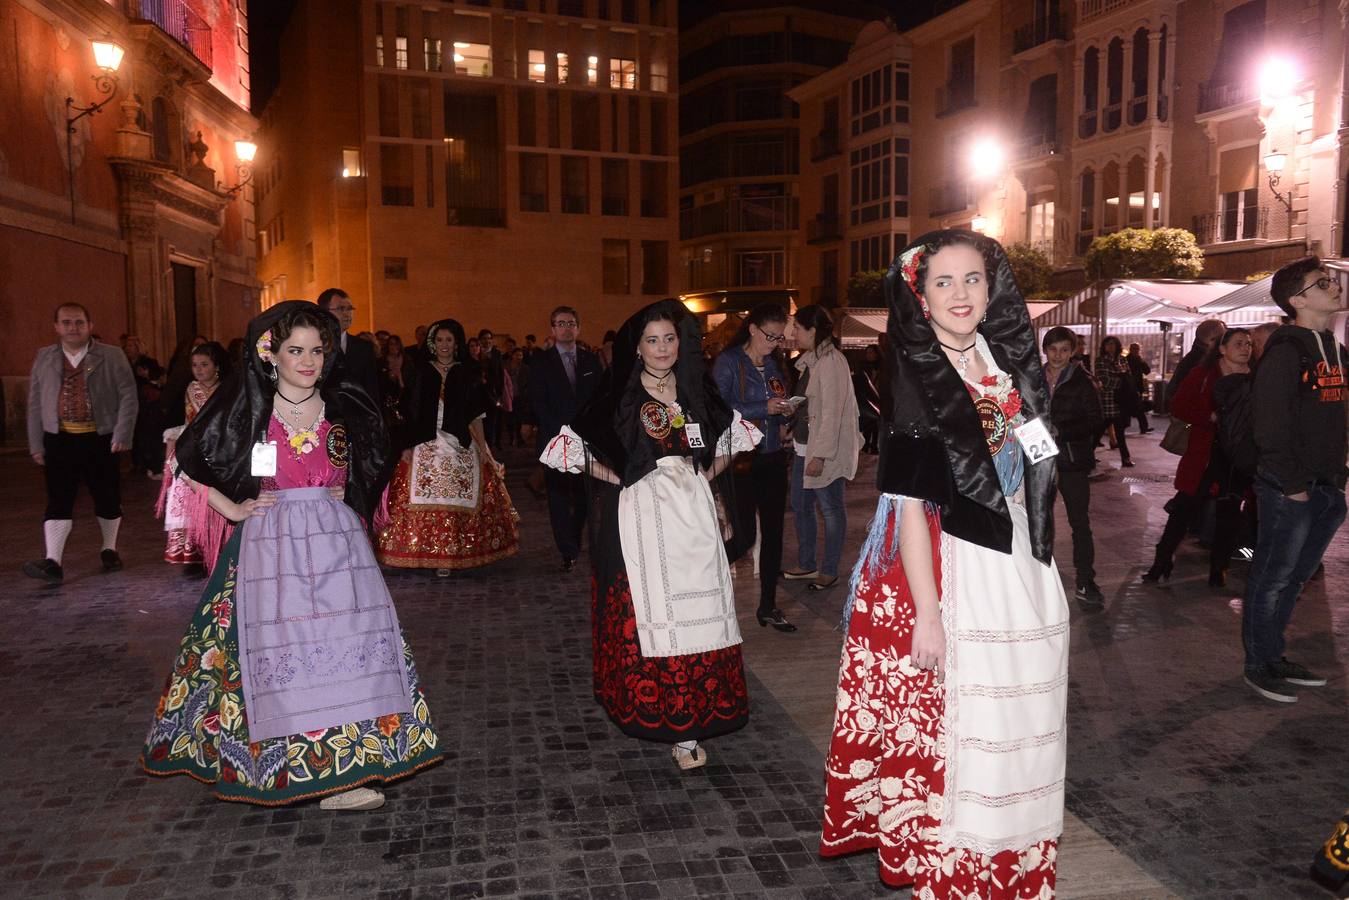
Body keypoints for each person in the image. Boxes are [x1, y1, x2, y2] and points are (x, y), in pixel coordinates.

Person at [820, 230, 1067, 895]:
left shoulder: (1006, 361)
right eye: (943, 283)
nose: (960, 294)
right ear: (920, 298)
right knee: (972, 721)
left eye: (972, 280)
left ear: (993, 289)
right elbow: (904, 507)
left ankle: (1016, 859)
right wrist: (927, 616)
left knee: (1028, 714)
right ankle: (961, 868)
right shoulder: (917, 374)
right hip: (956, 560)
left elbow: (1035, 459)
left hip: (1021, 557)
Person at [140, 301, 442, 809]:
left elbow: (376, 461)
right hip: (269, 545)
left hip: (337, 546)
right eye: (295, 350)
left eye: (316, 351)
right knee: (279, 656)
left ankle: (346, 768)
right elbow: (188, 462)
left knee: (348, 651)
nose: (307, 361)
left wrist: (355, 497)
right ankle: (284, 766)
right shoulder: (250, 409)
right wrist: (233, 509)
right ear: (270, 354)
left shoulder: (344, 406)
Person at [541, 298, 760, 770]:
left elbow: (733, 440)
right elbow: (567, 449)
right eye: (652, 340)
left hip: (693, 516)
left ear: (680, 343)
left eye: (669, 338)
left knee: (701, 608)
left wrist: (707, 482)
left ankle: (696, 720)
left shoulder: (695, 389)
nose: (662, 348)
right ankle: (678, 729)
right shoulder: (620, 394)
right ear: (637, 348)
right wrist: (615, 478)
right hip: (640, 516)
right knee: (647, 611)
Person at [1242, 257, 1346, 703]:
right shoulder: (1287, 352)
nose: (1335, 286)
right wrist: (1293, 485)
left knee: (1296, 578)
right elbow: (1269, 426)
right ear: (1297, 300)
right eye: (1323, 282)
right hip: (1291, 489)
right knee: (1272, 577)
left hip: (1325, 486)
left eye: (1334, 279)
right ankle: (1258, 664)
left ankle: (1274, 654)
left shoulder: (1335, 350)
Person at [376, 319, 519, 576]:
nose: (444, 345)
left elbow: (476, 415)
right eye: (439, 340)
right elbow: (411, 413)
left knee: (461, 492)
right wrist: (406, 445)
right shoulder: (421, 372)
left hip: (460, 440)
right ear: (433, 343)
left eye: (449, 340)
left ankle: (453, 552)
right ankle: (425, 550)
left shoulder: (467, 372)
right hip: (424, 441)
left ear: (456, 344)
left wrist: (485, 451)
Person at [23, 303, 138, 584]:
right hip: (58, 439)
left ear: (90, 325)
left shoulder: (111, 355)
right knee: (58, 499)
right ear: (56, 327)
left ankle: (109, 549)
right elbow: (35, 402)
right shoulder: (44, 357)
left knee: (107, 497)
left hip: (101, 439)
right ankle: (53, 562)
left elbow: (128, 395)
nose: (72, 327)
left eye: (78, 322)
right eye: (66, 322)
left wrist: (122, 434)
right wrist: (36, 443)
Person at [1142, 328, 1252, 584]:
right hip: (1204, 453)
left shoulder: (1255, 378)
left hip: (1236, 457)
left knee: (1229, 513)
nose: (1245, 348)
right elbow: (1179, 405)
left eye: (1248, 343)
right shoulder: (1203, 374)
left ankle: (1218, 569)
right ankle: (1162, 561)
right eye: (1238, 343)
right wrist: (1209, 417)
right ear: (1222, 349)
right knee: (1184, 509)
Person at [712, 302, 796, 633]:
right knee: (744, 533)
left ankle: (768, 606)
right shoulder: (729, 362)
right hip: (740, 458)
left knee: (774, 533)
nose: (774, 343)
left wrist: (788, 413)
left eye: (778, 338)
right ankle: (705, 577)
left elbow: (780, 401)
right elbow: (720, 409)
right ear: (752, 329)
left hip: (772, 455)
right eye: (769, 336)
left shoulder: (775, 366)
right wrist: (764, 407)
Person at [782, 305, 861, 591]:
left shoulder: (830, 361)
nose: (793, 333)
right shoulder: (811, 360)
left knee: (830, 509)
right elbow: (811, 404)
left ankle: (828, 569)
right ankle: (807, 564)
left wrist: (821, 454)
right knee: (802, 507)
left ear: (812, 330)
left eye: (797, 328)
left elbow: (832, 413)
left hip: (822, 449)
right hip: (806, 445)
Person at [530, 306, 603, 571]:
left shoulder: (591, 361)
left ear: (578, 327)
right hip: (555, 440)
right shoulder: (541, 362)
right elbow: (538, 402)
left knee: (584, 497)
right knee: (558, 496)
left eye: (571, 323)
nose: (566, 328)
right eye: (560, 324)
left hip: (585, 441)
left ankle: (574, 535)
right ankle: (567, 548)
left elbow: (599, 398)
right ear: (552, 329)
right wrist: (561, 432)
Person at [1043, 326, 1106, 610]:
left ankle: (1085, 579)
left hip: (1071, 460)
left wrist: (1060, 430)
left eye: (1064, 350)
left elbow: (1095, 421)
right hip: (1039, 459)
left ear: (1072, 352)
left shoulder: (1083, 381)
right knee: (1039, 523)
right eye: (1053, 349)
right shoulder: (1033, 378)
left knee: (1079, 522)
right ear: (1045, 350)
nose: (1058, 356)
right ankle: (1039, 580)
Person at [157, 341, 228, 569]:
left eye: (204, 364)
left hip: (221, 449)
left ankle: (218, 549)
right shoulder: (191, 388)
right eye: (195, 365)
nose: (198, 369)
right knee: (186, 492)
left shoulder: (227, 388)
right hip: (194, 447)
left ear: (216, 366)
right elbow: (190, 421)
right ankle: (193, 552)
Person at [316, 287, 380, 404]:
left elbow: (372, 391)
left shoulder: (364, 348)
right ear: (324, 313)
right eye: (341, 309)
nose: (347, 314)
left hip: (357, 417)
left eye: (350, 309)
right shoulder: (313, 346)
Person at [1094, 336, 1136, 467]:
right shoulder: (1100, 360)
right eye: (1108, 344)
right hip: (1107, 401)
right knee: (1099, 431)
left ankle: (1126, 458)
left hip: (1121, 402)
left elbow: (1129, 377)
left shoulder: (1122, 359)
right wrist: (1121, 380)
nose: (1111, 346)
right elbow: (1104, 380)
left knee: (1120, 432)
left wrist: (1121, 379)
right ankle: (1088, 456)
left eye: (1113, 344)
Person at [1168, 318, 1226, 404]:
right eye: (1223, 336)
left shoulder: (1192, 358)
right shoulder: (1205, 361)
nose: (1226, 340)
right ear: (1212, 339)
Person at [855, 344, 883, 454]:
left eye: (871, 352)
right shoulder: (863, 367)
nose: (869, 355)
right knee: (868, 422)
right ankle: (866, 445)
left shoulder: (882, 367)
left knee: (876, 423)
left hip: (879, 398)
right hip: (867, 398)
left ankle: (874, 446)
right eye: (867, 353)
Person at [1126, 341, 1153, 433]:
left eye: (1137, 349)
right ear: (1131, 350)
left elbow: (1147, 371)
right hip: (1129, 387)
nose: (1136, 351)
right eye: (1134, 349)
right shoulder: (1127, 360)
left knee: (1138, 408)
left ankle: (1143, 427)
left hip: (1137, 387)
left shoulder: (1138, 360)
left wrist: (1142, 362)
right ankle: (1143, 427)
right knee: (1137, 408)